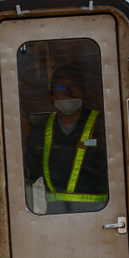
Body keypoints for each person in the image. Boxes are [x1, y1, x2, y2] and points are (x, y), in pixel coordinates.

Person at [24, 64, 108, 212]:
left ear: (84, 92)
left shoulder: (103, 126)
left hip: (99, 212)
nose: (68, 92)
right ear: (51, 94)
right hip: (56, 214)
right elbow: (28, 171)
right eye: (61, 87)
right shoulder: (40, 130)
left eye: (74, 86)